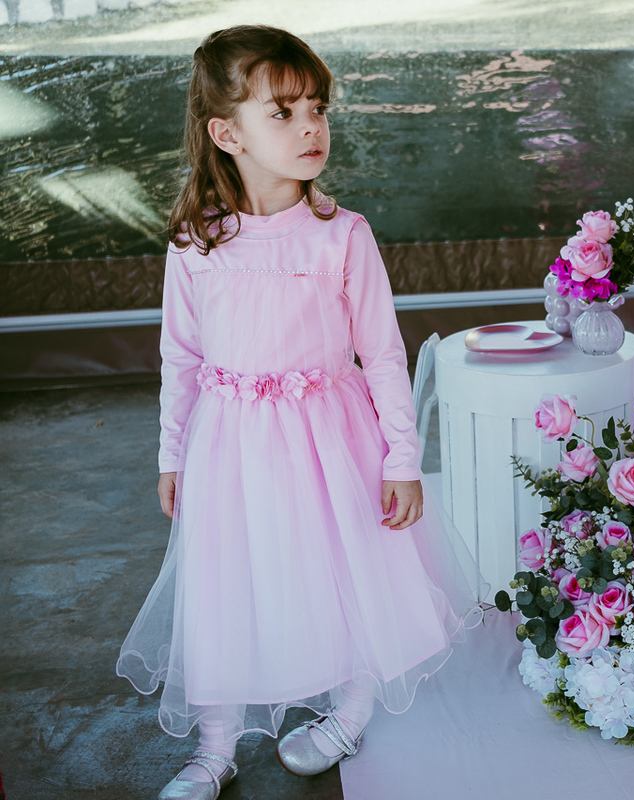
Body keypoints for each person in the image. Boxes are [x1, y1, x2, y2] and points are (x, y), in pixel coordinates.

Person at [115, 26, 481, 800]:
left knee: (342, 574)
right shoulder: (197, 243)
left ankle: (349, 711)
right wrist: (171, 454)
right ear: (227, 133)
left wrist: (402, 458)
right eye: (281, 112)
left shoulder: (341, 236)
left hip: (329, 441)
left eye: (317, 107)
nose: (311, 125)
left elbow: (383, 354)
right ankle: (214, 748)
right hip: (230, 445)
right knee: (226, 586)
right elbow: (179, 357)